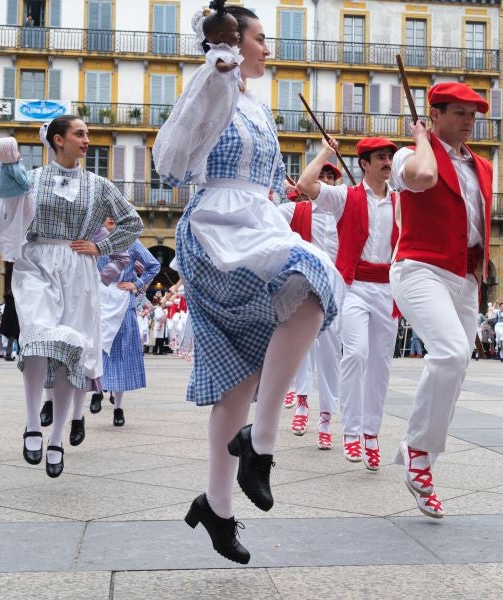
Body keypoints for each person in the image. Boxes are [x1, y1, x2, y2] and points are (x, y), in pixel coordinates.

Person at [158, 5, 341, 564]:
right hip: (216, 230)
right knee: (313, 284)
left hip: (255, 225)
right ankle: (259, 445)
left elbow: (263, 188)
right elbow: (172, 161)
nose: (269, 48)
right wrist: (218, 62)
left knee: (241, 380)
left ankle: (217, 505)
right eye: (261, 38)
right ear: (234, 41)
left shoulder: (258, 107)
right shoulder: (212, 84)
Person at [0, 122, 142, 479]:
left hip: (78, 268)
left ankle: (56, 437)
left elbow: (132, 223)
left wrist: (101, 247)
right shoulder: (32, 177)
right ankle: (32, 423)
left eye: (87, 134)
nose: (87, 140)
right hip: (35, 262)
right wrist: (8, 171)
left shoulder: (99, 184)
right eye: (79, 134)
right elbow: (9, 209)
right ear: (58, 140)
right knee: (37, 339)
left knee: (71, 352)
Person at [387, 81, 493, 519]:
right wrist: (419, 138)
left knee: (460, 364)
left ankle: (423, 460)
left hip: (464, 276)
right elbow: (424, 178)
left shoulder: (483, 166)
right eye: (459, 113)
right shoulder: (409, 155)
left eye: (473, 114)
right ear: (435, 115)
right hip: (419, 268)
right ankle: (417, 451)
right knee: (448, 354)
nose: (469, 121)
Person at [296, 136, 399, 470]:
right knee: (355, 353)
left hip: (388, 290)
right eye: (380, 157)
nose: (387, 162)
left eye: (390, 157)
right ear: (364, 165)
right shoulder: (344, 197)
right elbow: (304, 183)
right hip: (353, 287)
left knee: (381, 366)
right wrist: (327, 151)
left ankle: (372, 433)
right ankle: (351, 433)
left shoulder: (402, 201)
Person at [278, 167, 343, 449]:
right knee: (302, 343)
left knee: (330, 352)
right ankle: (302, 402)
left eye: (331, 180)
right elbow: (263, 213)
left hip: (338, 287)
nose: (325, 183)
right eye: (321, 178)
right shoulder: (295, 211)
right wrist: (274, 183)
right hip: (305, 282)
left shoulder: (345, 213)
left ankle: (326, 416)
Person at [152, 0, 242, 188]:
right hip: (210, 93)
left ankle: (195, 168)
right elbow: (218, 64)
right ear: (221, 35)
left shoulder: (230, 52)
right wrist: (227, 67)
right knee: (195, 124)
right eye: (235, 30)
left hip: (223, 99)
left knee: (209, 134)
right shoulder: (217, 52)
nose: (238, 34)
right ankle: (178, 166)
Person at [97, 235, 161, 429]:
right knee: (96, 350)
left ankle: (118, 407)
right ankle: (96, 392)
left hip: (123, 302)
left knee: (122, 355)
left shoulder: (130, 241)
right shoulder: (94, 239)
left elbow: (153, 265)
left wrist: (137, 284)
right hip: (99, 300)